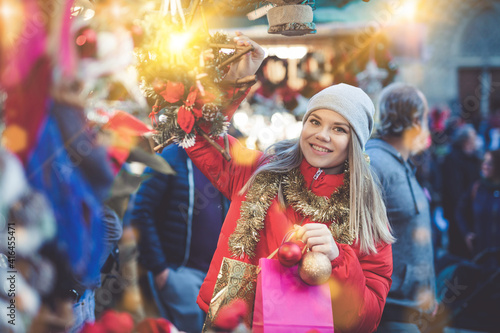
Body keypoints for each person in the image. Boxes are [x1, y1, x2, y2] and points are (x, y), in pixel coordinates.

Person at [185, 36, 395, 332]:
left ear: (355, 143)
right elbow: (195, 132)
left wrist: (337, 259)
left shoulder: (366, 214)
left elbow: (367, 318)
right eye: (315, 121)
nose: (322, 135)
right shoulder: (258, 170)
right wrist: (234, 81)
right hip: (233, 325)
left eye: (338, 129)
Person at [131, 144, 229, 333]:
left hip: (213, 276)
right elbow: (142, 212)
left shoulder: (221, 159)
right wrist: (161, 270)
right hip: (179, 273)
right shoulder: (171, 156)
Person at [365, 83, 436, 332]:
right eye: (426, 117)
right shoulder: (375, 163)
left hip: (413, 306)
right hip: (390, 309)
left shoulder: (400, 162)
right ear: (416, 121)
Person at [441, 124, 482, 258]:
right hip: (458, 212)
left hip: (472, 211)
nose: (476, 140)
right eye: (474, 137)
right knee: (459, 248)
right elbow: (454, 189)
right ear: (466, 141)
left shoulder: (475, 158)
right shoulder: (453, 159)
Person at [456, 149, 500, 258]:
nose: (485, 166)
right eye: (484, 162)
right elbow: (460, 211)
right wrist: (467, 233)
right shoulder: (477, 188)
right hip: (481, 256)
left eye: (490, 163)